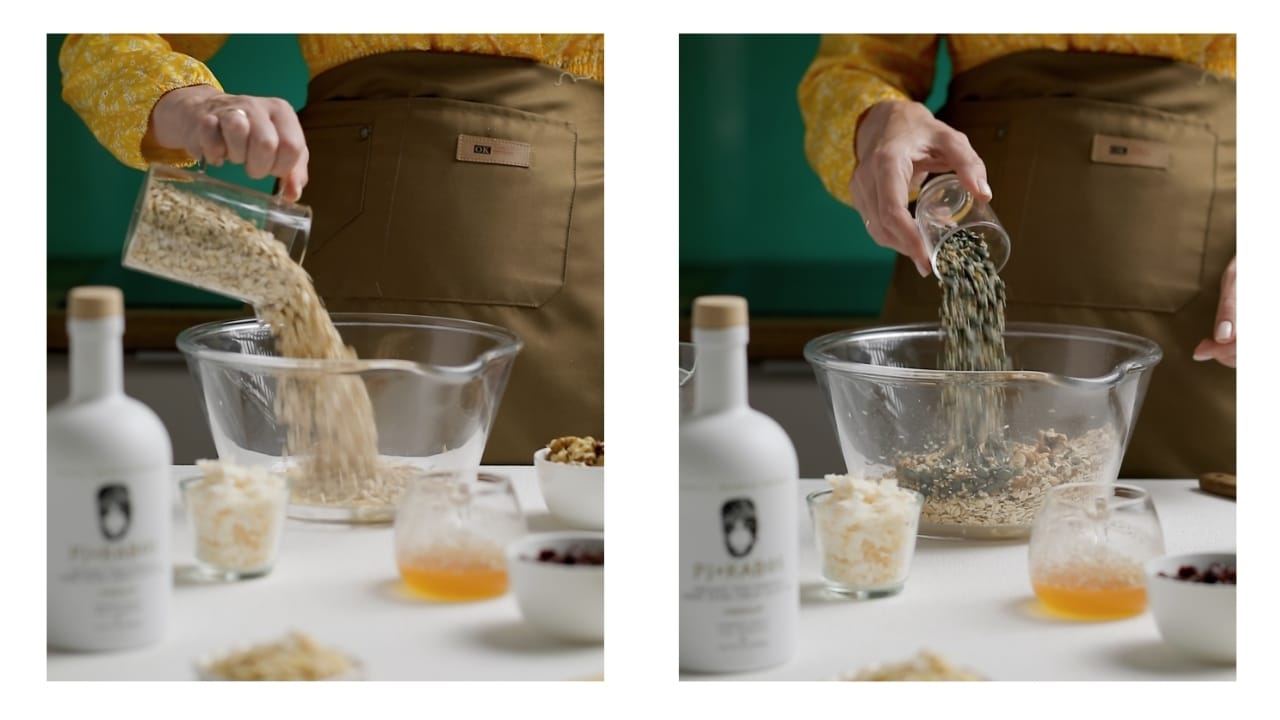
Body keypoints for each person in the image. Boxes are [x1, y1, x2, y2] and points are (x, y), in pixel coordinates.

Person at [60, 34, 604, 464]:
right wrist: (193, 101)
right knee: (340, 514)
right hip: (348, 234)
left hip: (578, 220)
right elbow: (104, 36)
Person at [798, 35, 1235, 478]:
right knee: (937, 507)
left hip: (1197, 335)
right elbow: (853, 66)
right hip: (955, 250)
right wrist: (879, 117)